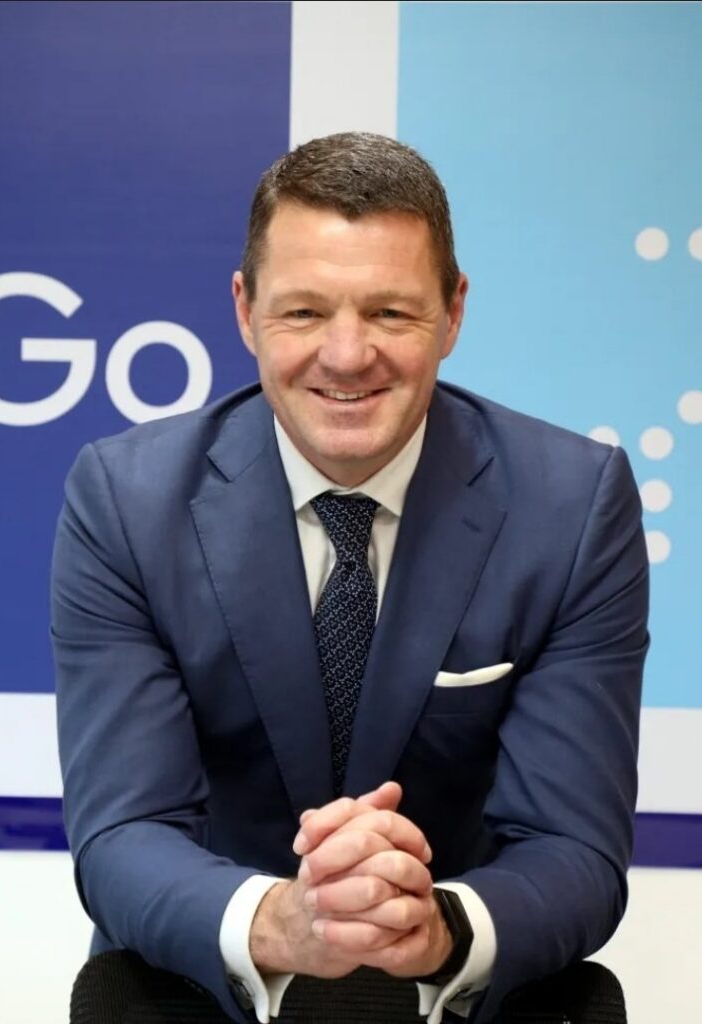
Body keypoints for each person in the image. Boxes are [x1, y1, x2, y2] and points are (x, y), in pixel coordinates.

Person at [51, 132, 649, 1024]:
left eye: (389, 313)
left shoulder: (573, 507)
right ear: (244, 309)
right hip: (208, 976)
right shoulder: (125, 500)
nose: (344, 355)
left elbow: (573, 848)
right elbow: (123, 835)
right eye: (303, 313)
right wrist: (286, 922)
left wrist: (439, 923)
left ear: (452, 313)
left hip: (461, 982)